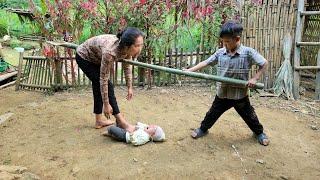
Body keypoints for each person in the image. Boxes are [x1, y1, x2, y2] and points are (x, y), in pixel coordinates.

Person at [185, 20, 270, 146]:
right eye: (223, 41)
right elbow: (206, 62)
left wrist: (254, 79)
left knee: (250, 116)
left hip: (239, 95)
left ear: (237, 39)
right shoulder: (221, 53)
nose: (224, 44)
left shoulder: (248, 52)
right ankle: (203, 129)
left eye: (227, 41)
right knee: (212, 114)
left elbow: (264, 63)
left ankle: (259, 133)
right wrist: (189, 70)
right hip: (223, 94)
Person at [76, 27, 144, 131]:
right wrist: (106, 105)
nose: (140, 49)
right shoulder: (110, 53)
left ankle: (98, 121)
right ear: (127, 46)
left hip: (96, 58)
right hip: (84, 57)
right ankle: (121, 122)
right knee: (107, 86)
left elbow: (127, 67)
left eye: (141, 45)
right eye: (137, 45)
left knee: (98, 86)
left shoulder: (126, 50)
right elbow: (103, 80)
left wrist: (130, 87)